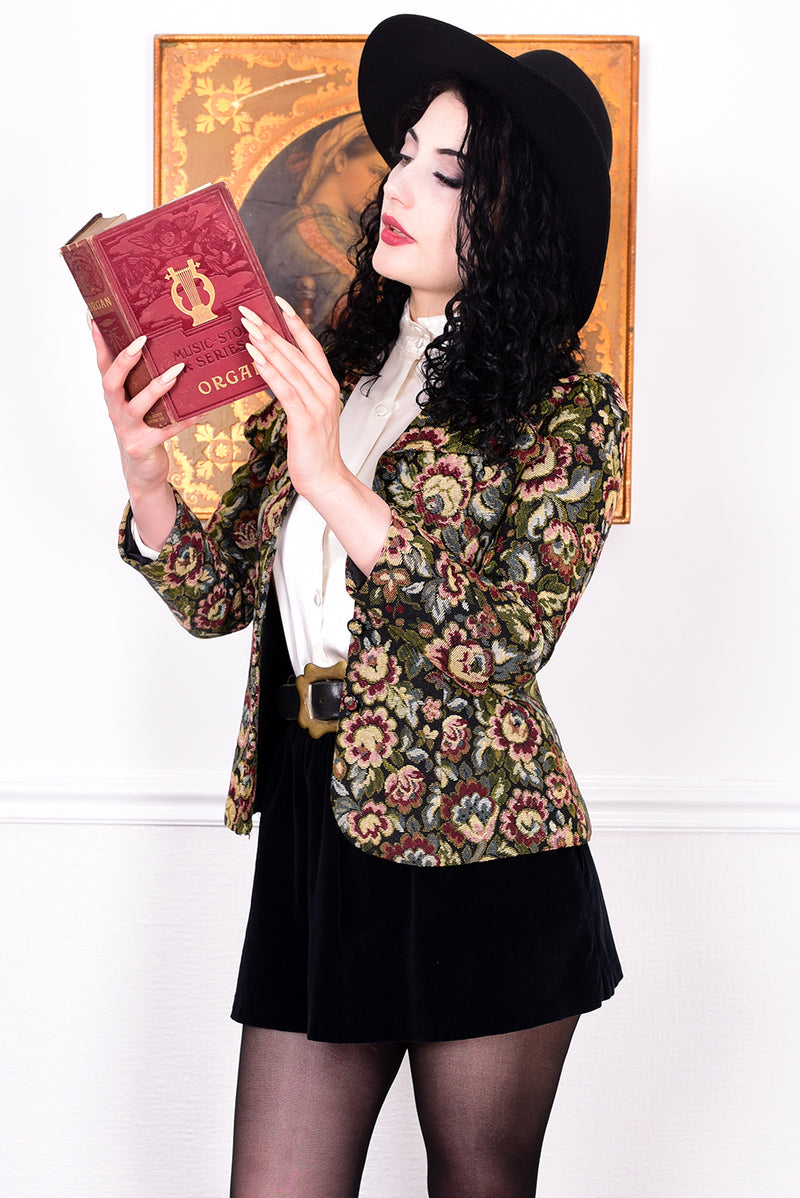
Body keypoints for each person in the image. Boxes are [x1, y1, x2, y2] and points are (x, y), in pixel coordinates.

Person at [91, 15, 629, 1197]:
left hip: (481, 847)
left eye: (447, 170)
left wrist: (332, 479)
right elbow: (219, 595)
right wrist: (146, 478)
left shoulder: (567, 413)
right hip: (310, 824)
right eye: (403, 154)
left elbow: (501, 641)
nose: (402, 183)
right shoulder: (340, 367)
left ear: (508, 214)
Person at [245, 114, 386, 333]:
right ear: (340, 161)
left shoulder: (342, 227)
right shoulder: (306, 229)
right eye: (374, 172)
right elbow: (366, 303)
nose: (379, 190)